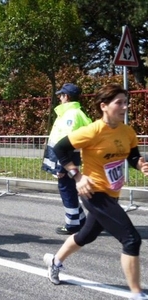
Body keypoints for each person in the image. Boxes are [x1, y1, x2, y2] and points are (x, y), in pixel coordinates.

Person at [43, 83, 148, 300]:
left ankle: (55, 261)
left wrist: (140, 165)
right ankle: (137, 294)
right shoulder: (92, 131)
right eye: (119, 102)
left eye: (126, 102)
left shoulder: (127, 132)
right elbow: (60, 148)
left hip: (112, 194)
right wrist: (77, 175)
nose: (124, 107)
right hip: (93, 192)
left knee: (86, 235)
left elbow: (132, 156)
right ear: (104, 106)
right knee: (131, 239)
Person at [42, 83, 91, 235]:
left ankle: (72, 224)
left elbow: (67, 143)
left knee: (67, 190)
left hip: (64, 161)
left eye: (61, 95)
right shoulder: (72, 113)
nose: (59, 98)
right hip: (66, 160)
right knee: (69, 189)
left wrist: (62, 167)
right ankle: (81, 220)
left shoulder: (71, 115)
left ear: (67, 97)